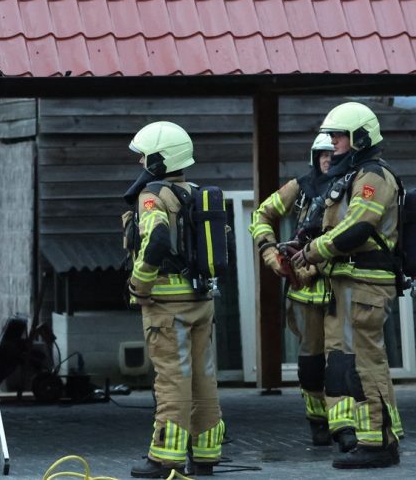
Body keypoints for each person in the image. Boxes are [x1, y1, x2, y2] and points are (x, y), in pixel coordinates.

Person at [291, 102, 404, 469]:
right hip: (349, 284)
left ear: (360, 138)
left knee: (364, 364)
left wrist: (313, 251)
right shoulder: (354, 176)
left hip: (365, 285)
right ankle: (377, 440)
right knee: (355, 363)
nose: (333, 142)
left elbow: (357, 228)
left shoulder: (373, 176)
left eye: (339, 135)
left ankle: (377, 444)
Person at [122, 121, 226, 478]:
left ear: (160, 160)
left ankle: (164, 458)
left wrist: (139, 284)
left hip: (168, 308)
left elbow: (158, 241)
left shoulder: (152, 196)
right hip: (201, 300)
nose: (140, 164)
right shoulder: (196, 193)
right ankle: (206, 454)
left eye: (144, 157)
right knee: (203, 378)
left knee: (172, 380)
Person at [250, 133, 335, 447]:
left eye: (333, 153)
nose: (328, 159)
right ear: (315, 158)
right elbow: (261, 215)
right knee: (311, 366)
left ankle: (350, 426)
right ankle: (318, 423)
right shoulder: (300, 188)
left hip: (343, 289)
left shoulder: (356, 187)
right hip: (305, 295)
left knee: (345, 365)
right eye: (322, 154)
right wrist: (270, 253)